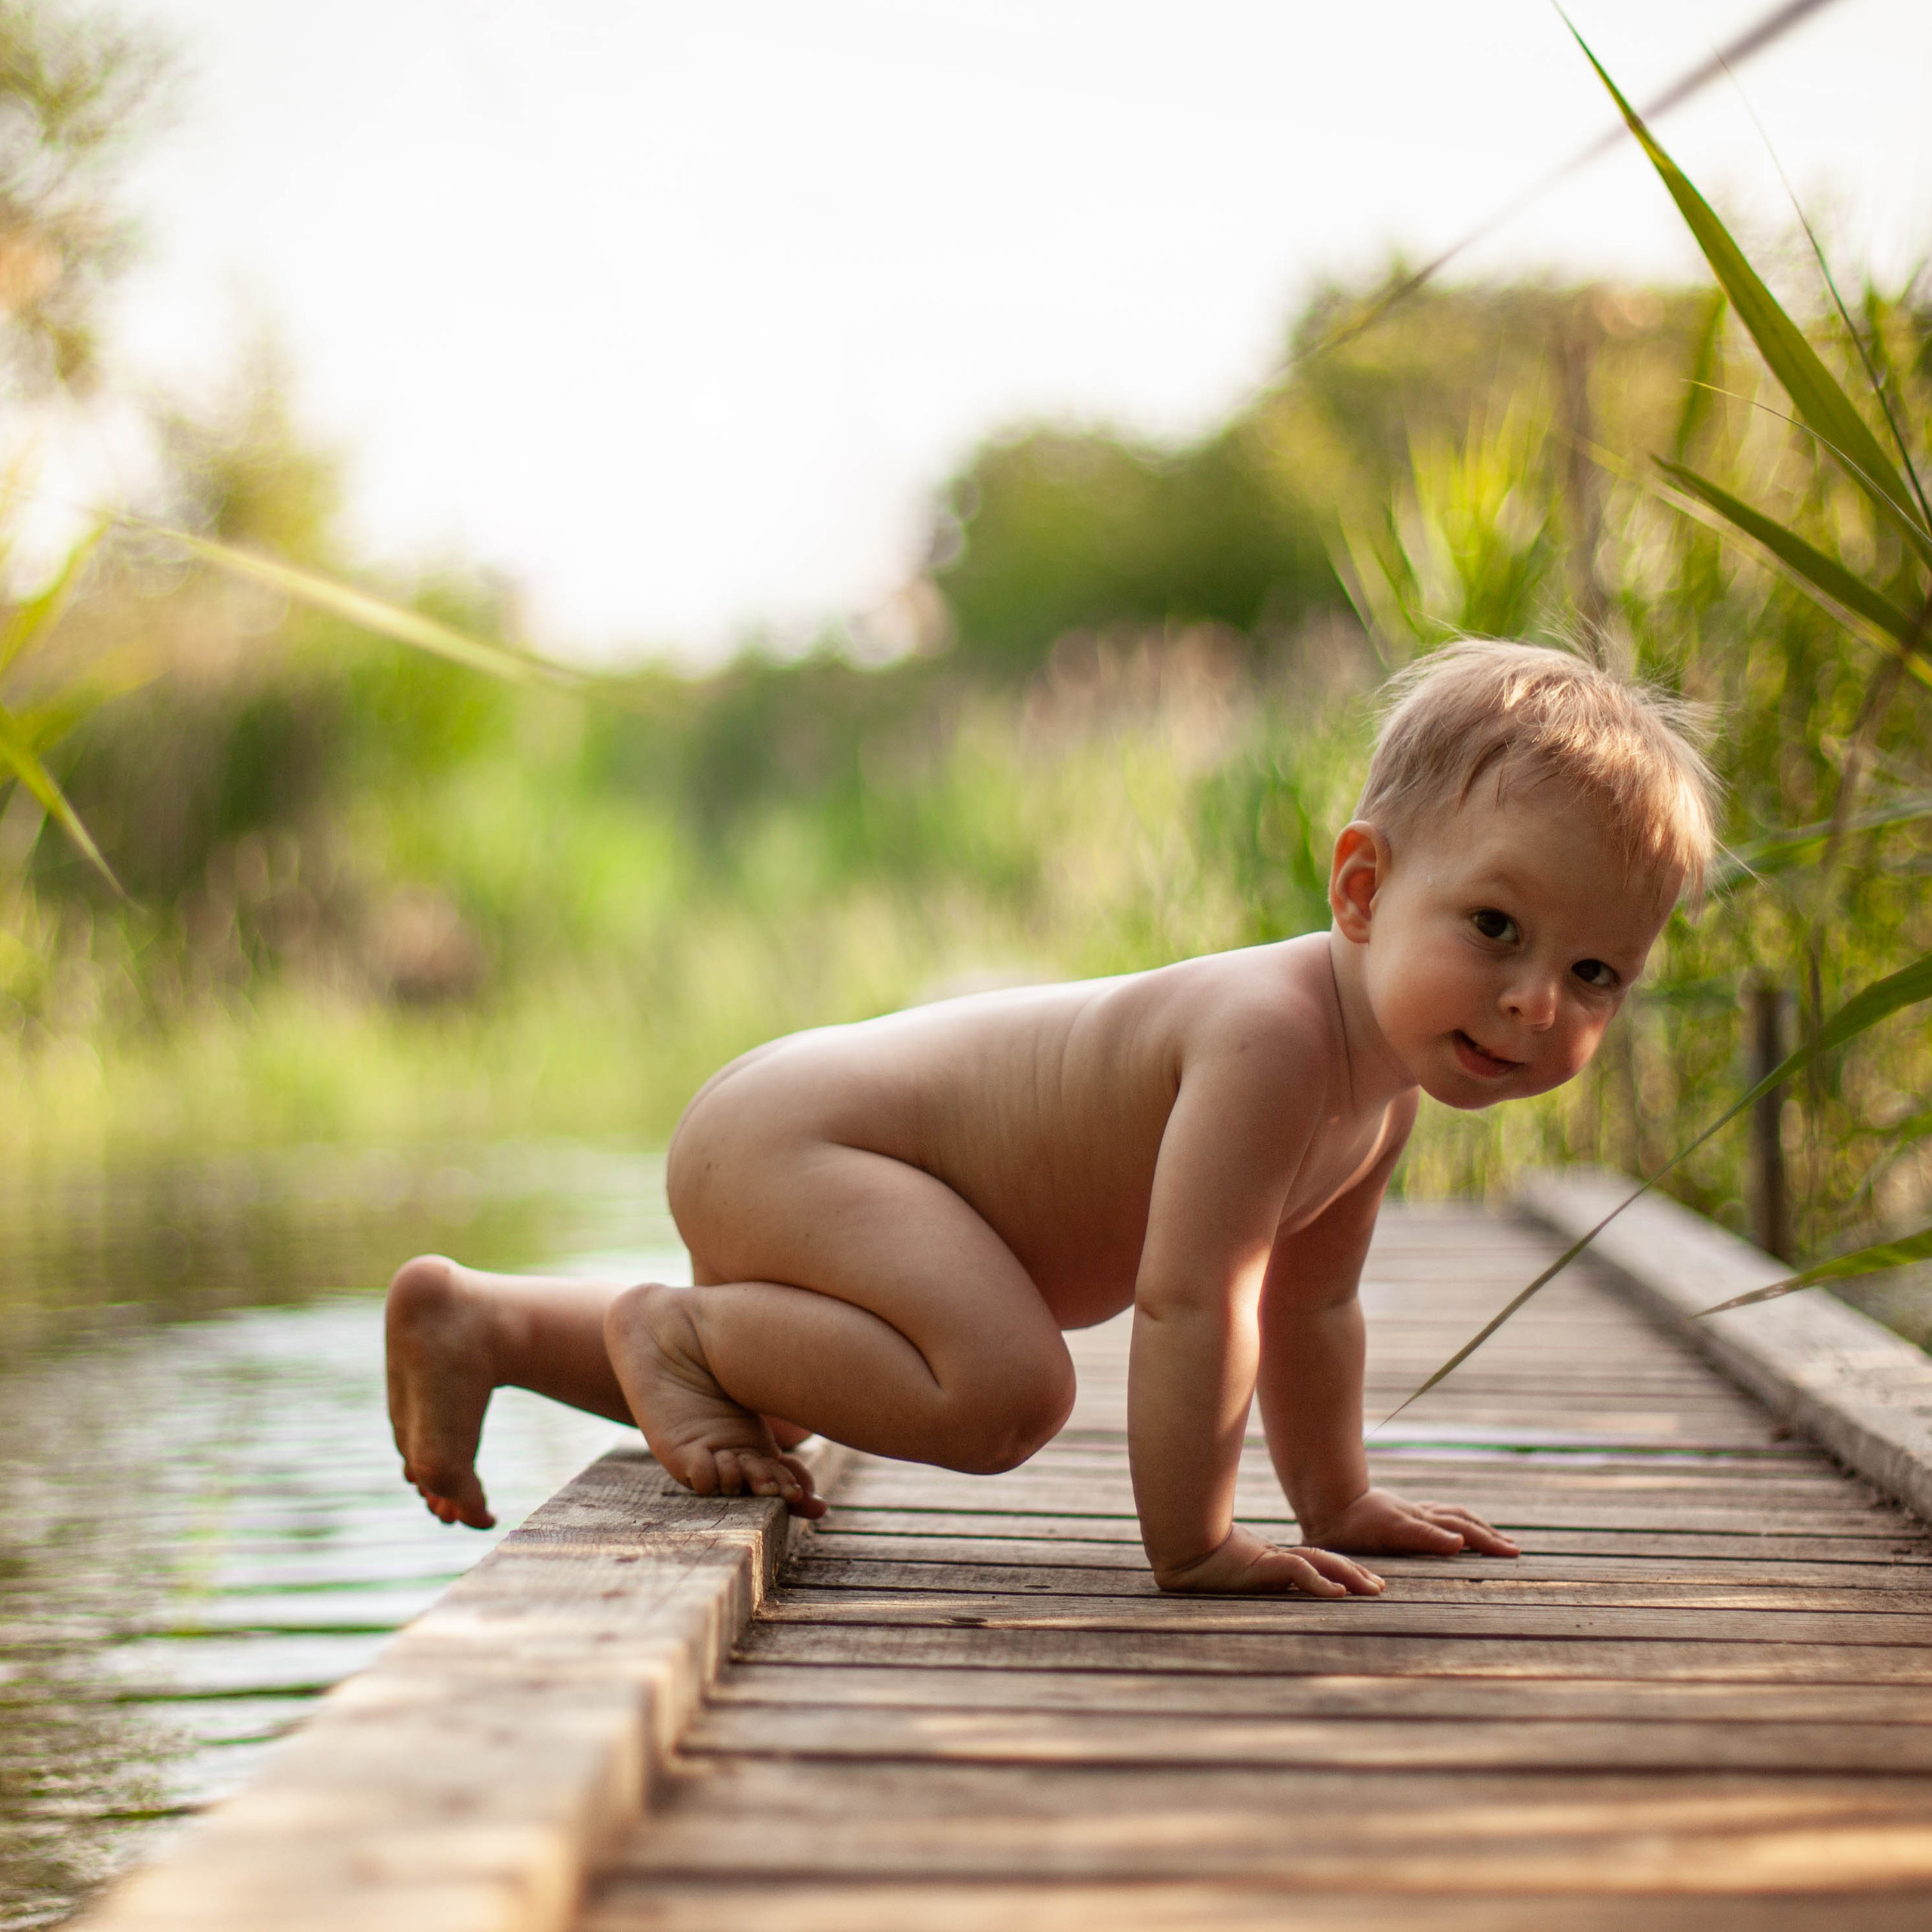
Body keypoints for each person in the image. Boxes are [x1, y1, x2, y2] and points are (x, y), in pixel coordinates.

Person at [386, 640, 1715, 1597]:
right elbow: (1194, 1304)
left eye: (1596, 972)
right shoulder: (1272, 1041)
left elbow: (1311, 1308)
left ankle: (485, 1324)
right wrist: (1196, 1545)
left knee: (778, 1410)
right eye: (1495, 927)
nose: (1537, 1000)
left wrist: (1338, 1499)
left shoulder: (1379, 1095)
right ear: (1363, 889)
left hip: (812, 1134)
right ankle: (670, 1331)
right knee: (1006, 1395)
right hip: (808, 1139)